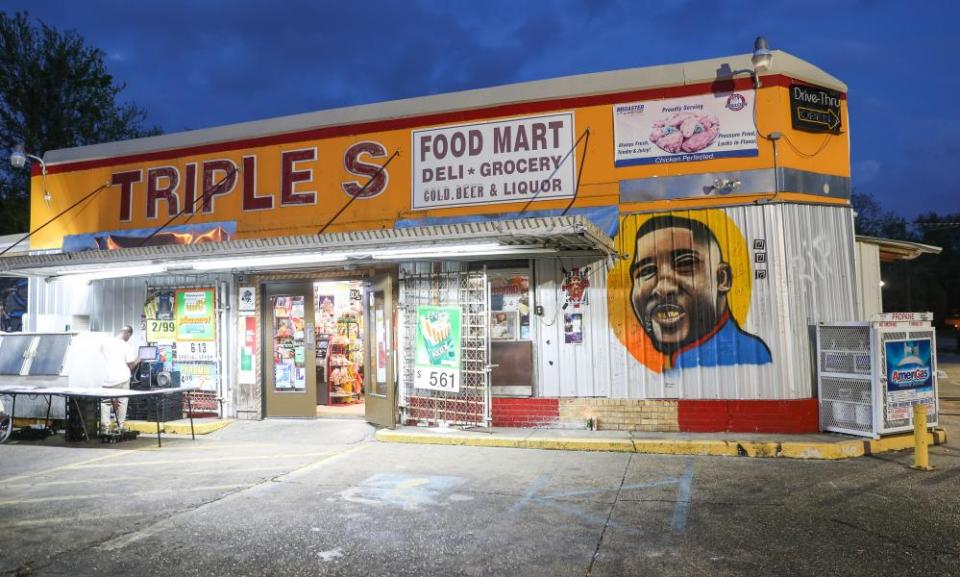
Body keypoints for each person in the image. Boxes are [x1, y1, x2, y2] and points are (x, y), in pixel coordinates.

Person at [630, 215, 771, 372]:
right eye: (647, 271)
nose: (663, 288)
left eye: (685, 263)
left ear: (722, 279)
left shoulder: (751, 358)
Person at [100, 325, 138, 433]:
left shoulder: (106, 343)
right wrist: (139, 359)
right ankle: (120, 426)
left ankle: (105, 427)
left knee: (106, 402)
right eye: (129, 336)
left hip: (107, 378)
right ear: (128, 334)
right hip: (122, 378)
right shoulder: (125, 346)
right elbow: (131, 365)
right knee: (122, 401)